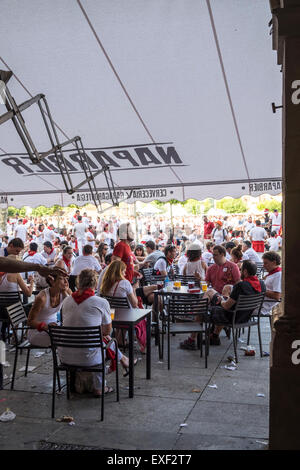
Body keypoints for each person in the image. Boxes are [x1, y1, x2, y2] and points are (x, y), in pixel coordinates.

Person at [59, 269, 132, 396]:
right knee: (105, 340)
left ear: (78, 282)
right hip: (89, 359)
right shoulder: (101, 302)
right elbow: (107, 331)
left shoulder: (66, 301)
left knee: (97, 341)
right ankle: (99, 387)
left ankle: (123, 360)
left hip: (64, 356)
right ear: (95, 283)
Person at [207, 260, 266, 345]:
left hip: (232, 317)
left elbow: (226, 306)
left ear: (245, 271)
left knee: (209, 303)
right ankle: (214, 335)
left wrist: (222, 300)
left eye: (241, 269)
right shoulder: (262, 284)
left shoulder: (241, 286)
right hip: (247, 316)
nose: (240, 271)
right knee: (217, 299)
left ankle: (196, 338)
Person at [27, 273, 71, 347]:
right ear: (52, 281)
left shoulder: (65, 290)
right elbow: (30, 321)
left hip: (54, 329)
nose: (66, 281)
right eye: (61, 278)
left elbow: (73, 308)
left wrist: (64, 293)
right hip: (38, 332)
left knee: (72, 335)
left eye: (66, 278)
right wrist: (46, 326)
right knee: (68, 339)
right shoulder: (42, 298)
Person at [260, 251, 281, 315]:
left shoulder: (278, 275)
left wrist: (260, 289)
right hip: (261, 302)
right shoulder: (272, 273)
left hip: (265, 306)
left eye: (266, 263)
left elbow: (276, 296)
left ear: (274, 263)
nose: (263, 266)